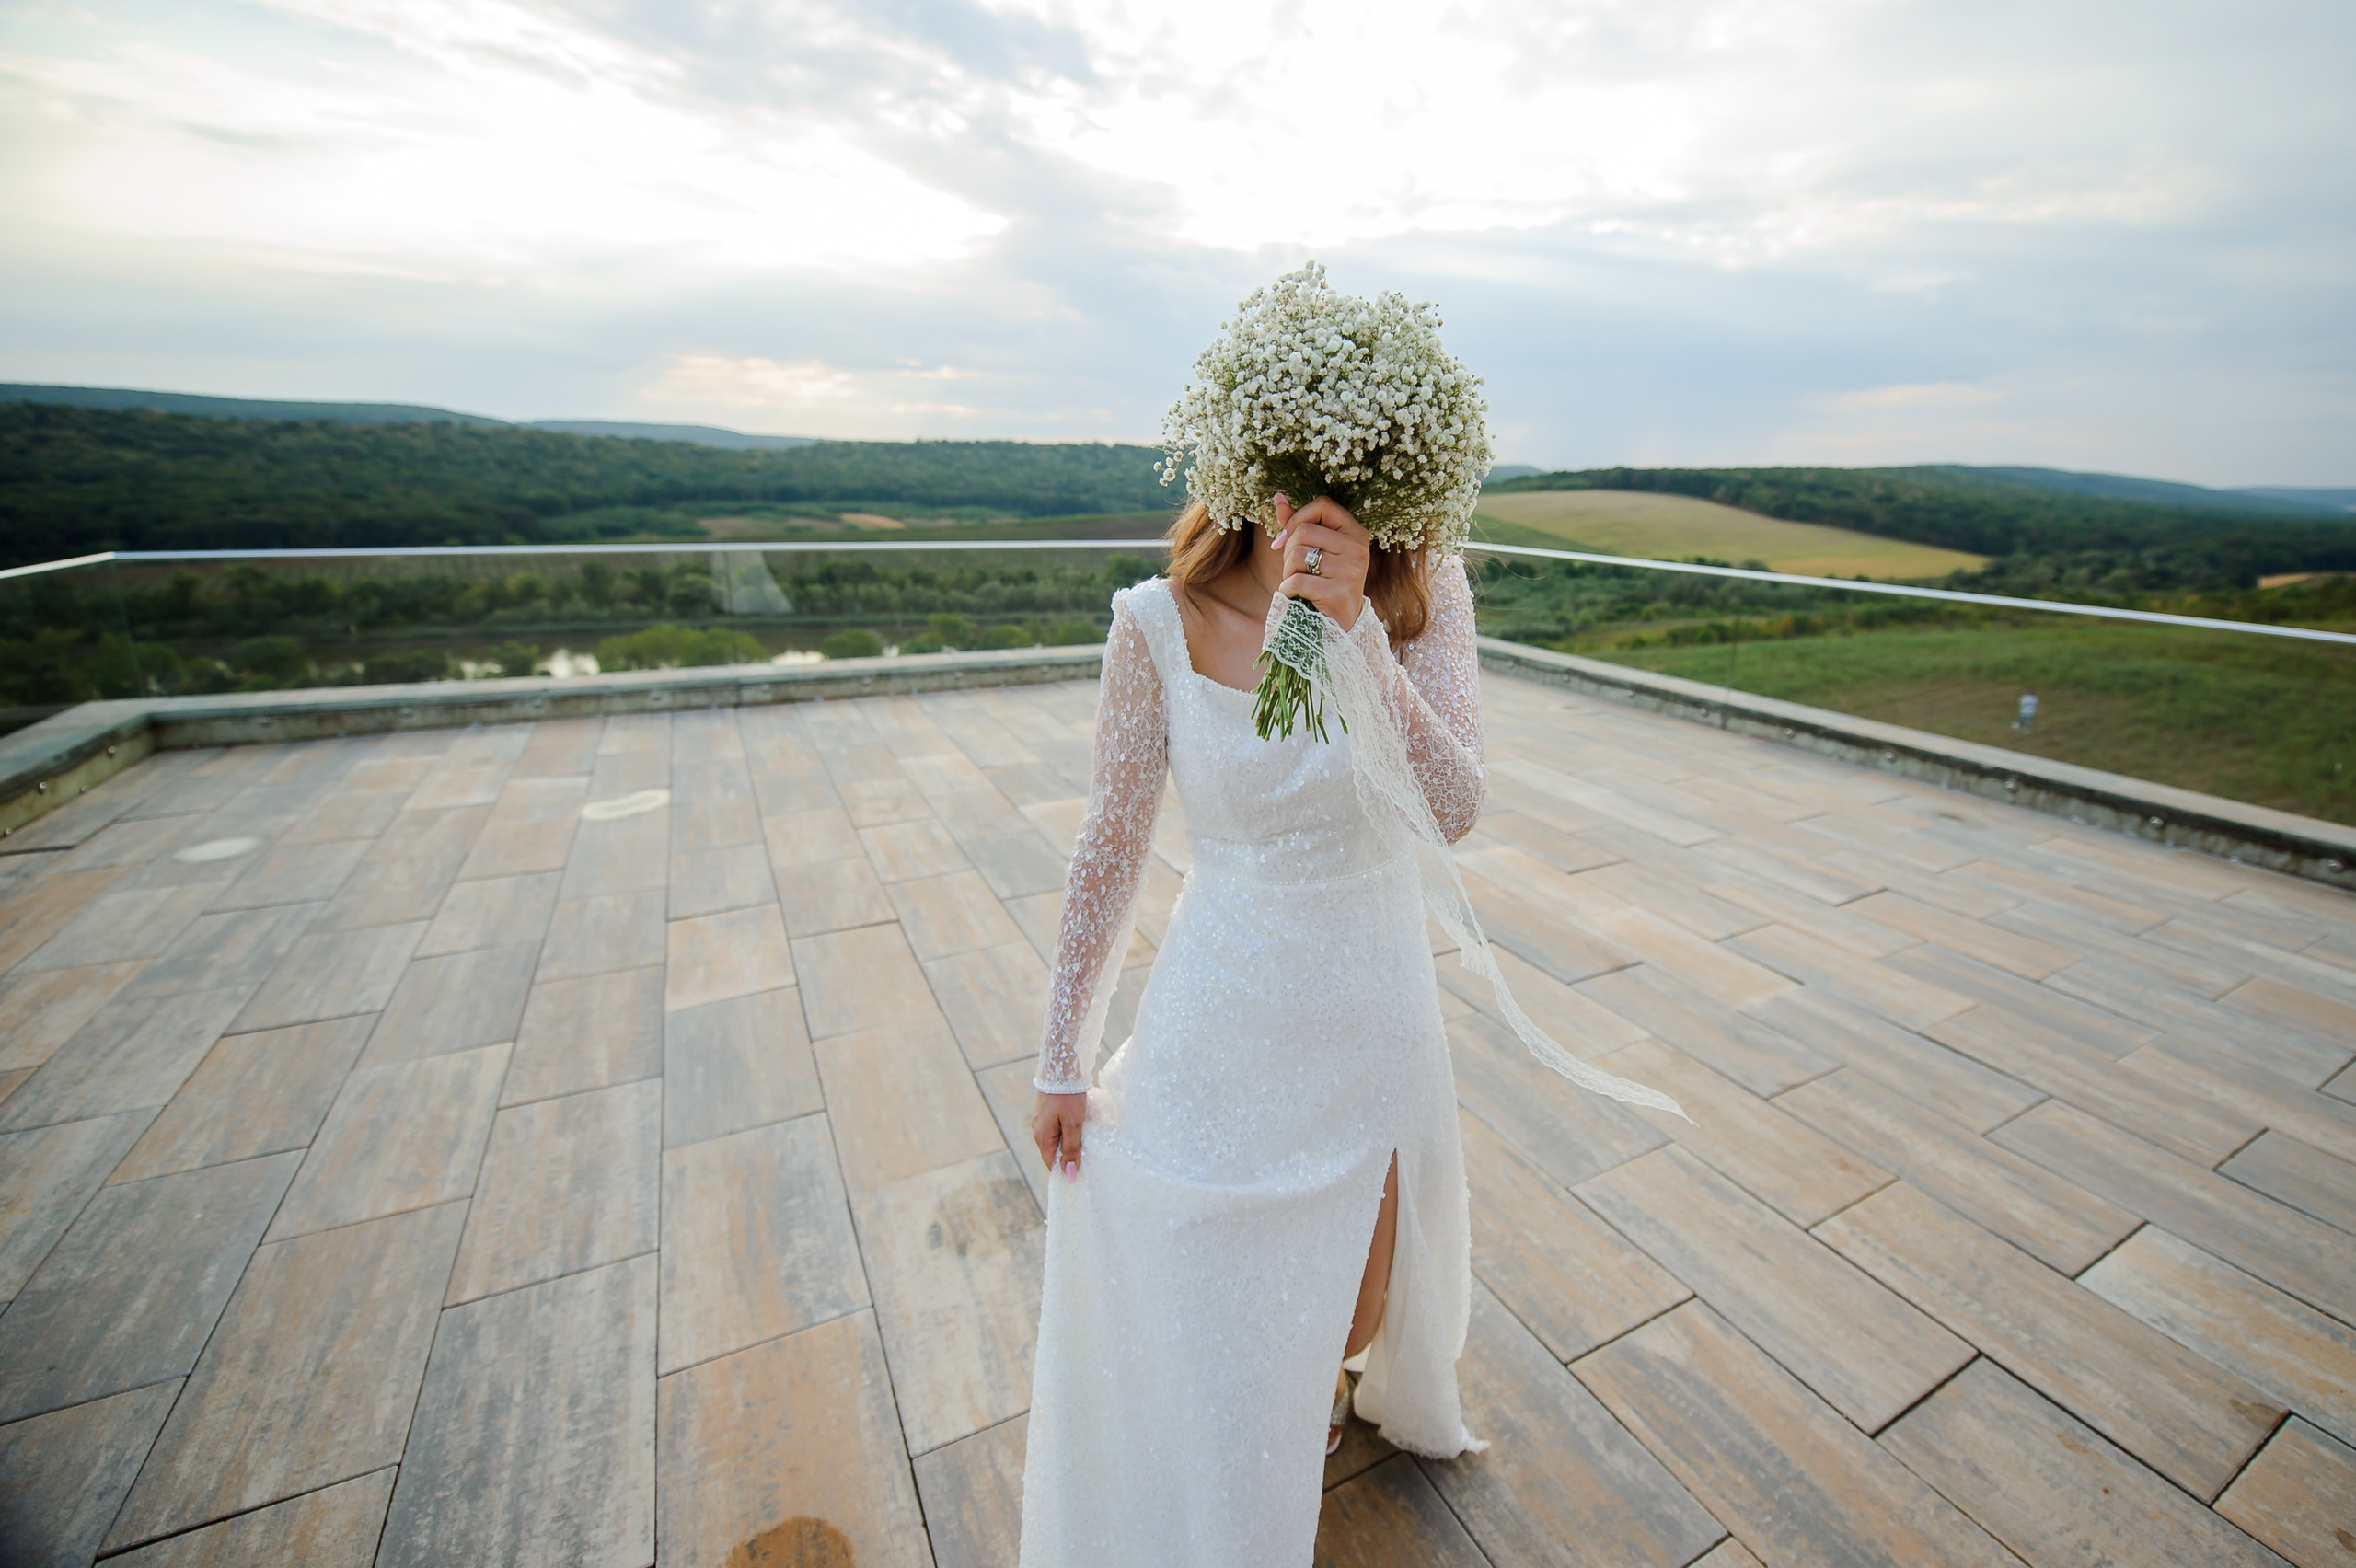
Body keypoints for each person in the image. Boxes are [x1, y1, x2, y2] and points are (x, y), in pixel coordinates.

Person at [1016, 490, 1487, 1566]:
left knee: (1348, 1316)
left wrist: (1356, 632)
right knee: (1207, 1290)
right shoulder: (1154, 620)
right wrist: (1061, 1059)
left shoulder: (1425, 589)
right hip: (1218, 1001)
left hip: (1366, 1011)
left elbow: (1453, 807)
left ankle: (1306, 1405)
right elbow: (1110, 842)